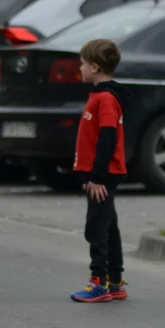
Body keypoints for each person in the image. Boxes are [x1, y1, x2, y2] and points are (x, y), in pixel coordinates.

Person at [69, 39, 134, 303]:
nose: (80, 68)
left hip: (102, 176)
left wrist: (97, 176)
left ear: (95, 67)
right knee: (108, 226)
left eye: (83, 64)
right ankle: (116, 281)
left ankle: (99, 282)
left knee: (96, 227)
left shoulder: (105, 99)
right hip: (100, 174)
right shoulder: (99, 96)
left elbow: (107, 138)